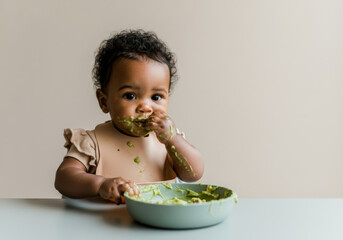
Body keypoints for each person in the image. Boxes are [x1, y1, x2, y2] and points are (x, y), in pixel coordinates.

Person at [54, 29, 204, 204]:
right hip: (101, 224)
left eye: (156, 97)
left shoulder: (168, 142)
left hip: (156, 223)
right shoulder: (92, 143)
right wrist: (100, 184)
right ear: (104, 101)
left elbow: (194, 174)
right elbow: (64, 178)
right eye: (130, 96)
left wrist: (174, 140)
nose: (146, 107)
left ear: (168, 99)